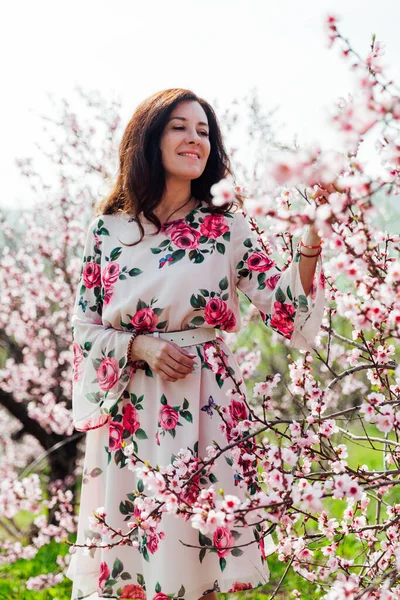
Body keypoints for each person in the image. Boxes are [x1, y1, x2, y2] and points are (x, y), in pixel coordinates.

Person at [66, 88, 325, 600]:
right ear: (150, 139)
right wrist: (140, 347)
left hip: (205, 406)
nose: (195, 139)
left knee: (199, 563)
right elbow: (84, 326)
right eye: (180, 127)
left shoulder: (227, 226)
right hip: (132, 414)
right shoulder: (109, 230)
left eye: (204, 131)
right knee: (133, 566)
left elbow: (285, 311)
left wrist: (312, 241)